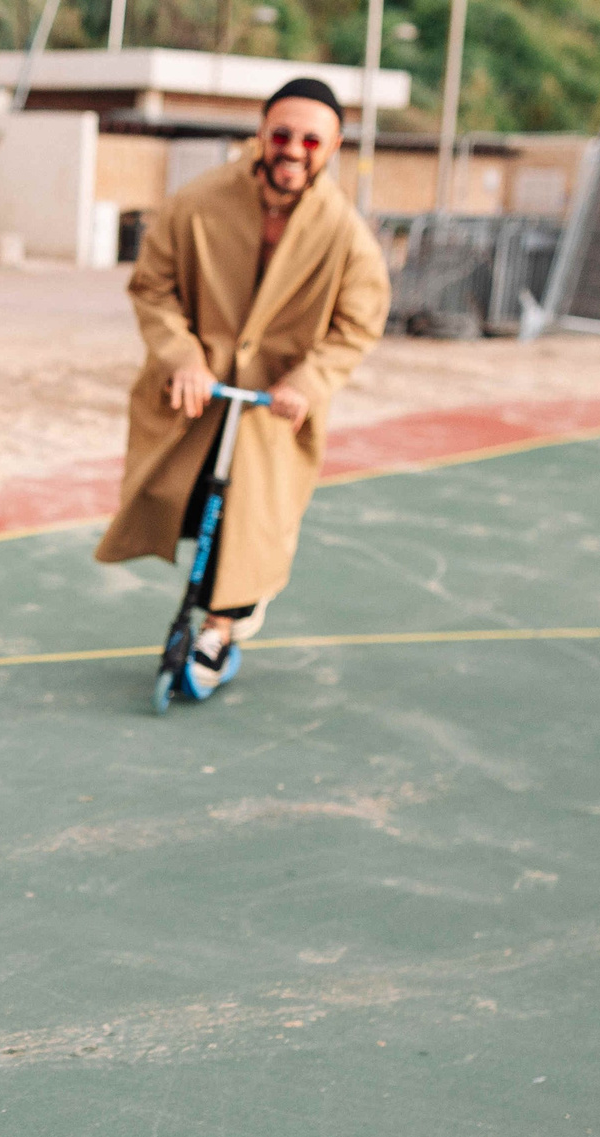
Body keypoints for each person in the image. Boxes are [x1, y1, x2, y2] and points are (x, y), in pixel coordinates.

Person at [96, 75, 390, 699]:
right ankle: (219, 613)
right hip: (195, 394)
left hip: (273, 406)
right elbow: (152, 286)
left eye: (311, 139)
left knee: (250, 523)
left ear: (333, 147)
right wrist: (183, 355)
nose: (293, 149)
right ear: (261, 133)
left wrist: (308, 381)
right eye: (281, 133)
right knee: (190, 501)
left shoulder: (346, 235)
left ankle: (222, 627)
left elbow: (357, 325)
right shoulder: (196, 201)